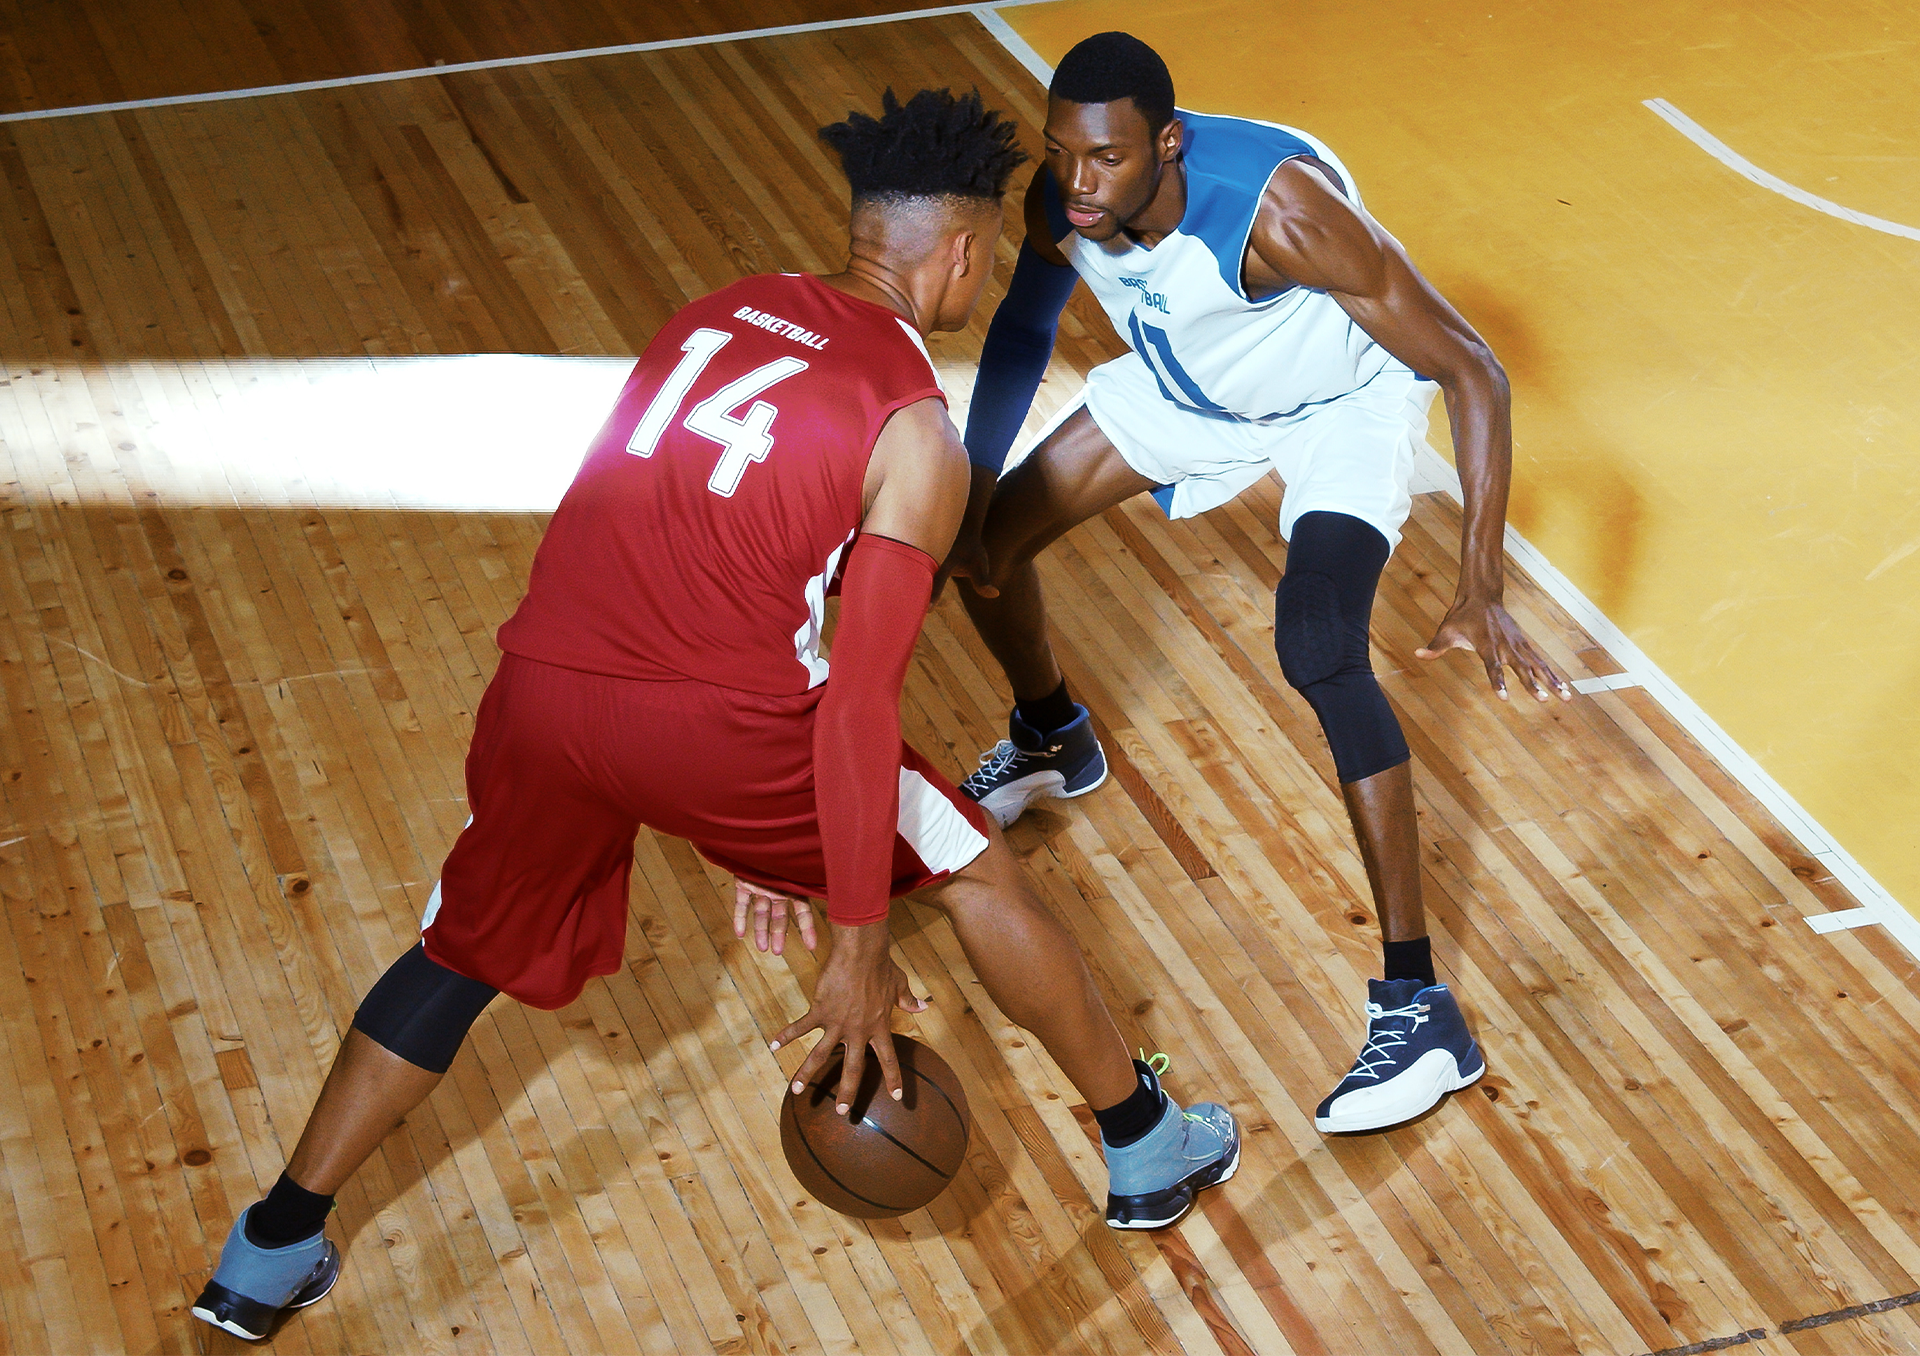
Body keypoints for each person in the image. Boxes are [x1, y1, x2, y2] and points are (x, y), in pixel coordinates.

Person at [191, 88, 1237, 1343]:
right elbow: (853, 703)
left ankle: (269, 1247)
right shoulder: (917, 434)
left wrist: (745, 837)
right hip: (727, 730)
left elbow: (676, 549)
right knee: (978, 873)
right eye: (990, 260)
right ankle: (1145, 1145)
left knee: (455, 957)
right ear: (960, 253)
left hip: (543, 694)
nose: (985, 279)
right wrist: (854, 945)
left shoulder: (713, 315)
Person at [948, 33, 1570, 1136]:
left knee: (1319, 645)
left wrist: (1481, 581)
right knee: (984, 556)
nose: (1076, 181)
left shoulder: (1281, 217)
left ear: (1167, 146)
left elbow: (1471, 366)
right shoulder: (1066, 201)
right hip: (1188, 391)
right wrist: (972, 483)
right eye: (1061, 154)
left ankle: (1420, 1007)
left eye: (1102, 158)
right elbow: (1022, 328)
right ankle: (1054, 736)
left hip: (1343, 407)